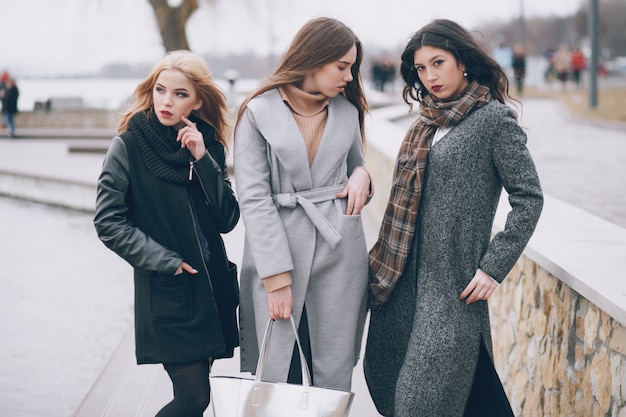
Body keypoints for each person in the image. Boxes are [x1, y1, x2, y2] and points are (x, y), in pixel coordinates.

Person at [364, 19, 543, 417]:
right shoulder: (425, 123)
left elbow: (529, 197)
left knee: (420, 402)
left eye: (438, 63)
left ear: (462, 61)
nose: (429, 77)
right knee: (459, 395)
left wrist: (493, 268)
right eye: (421, 69)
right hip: (403, 283)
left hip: (451, 291)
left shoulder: (494, 122)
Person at [93, 50, 240, 417]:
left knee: (197, 397)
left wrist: (203, 160)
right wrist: (166, 262)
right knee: (193, 399)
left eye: (179, 94)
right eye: (161, 90)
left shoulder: (208, 144)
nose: (166, 101)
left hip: (211, 291)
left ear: (198, 99)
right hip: (170, 289)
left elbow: (227, 219)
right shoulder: (128, 145)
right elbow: (108, 222)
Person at [234, 16, 372, 391]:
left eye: (352, 67)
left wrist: (363, 176)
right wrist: (276, 279)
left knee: (330, 374)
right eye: (342, 66)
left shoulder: (346, 111)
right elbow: (254, 199)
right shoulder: (257, 112)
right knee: (281, 375)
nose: (349, 76)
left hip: (339, 253)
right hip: (280, 255)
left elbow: (356, 165)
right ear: (314, 58)